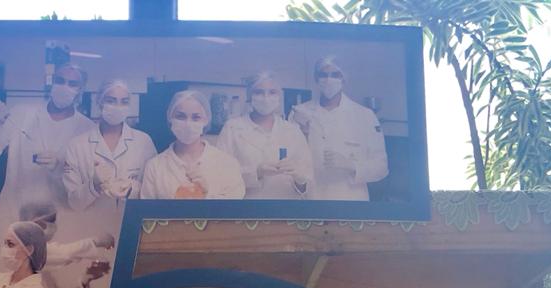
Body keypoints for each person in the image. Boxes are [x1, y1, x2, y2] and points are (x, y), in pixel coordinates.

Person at [0, 62, 95, 218]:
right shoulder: (21, 114)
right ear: (52, 83)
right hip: (12, 213)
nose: (64, 87)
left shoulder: (88, 130)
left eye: (72, 84)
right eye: (60, 81)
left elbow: (86, 187)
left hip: (59, 218)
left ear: (80, 90)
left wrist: (60, 168)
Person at [290, 55, 388, 201]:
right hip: (312, 197)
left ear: (344, 79)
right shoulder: (299, 113)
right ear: (316, 78)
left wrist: (352, 165)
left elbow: (381, 167)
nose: (329, 80)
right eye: (323, 75)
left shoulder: (364, 116)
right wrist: (303, 135)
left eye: (335, 75)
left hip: (350, 198)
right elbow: (291, 161)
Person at [216, 70, 313, 199]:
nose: (266, 98)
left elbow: (308, 184)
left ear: (279, 96)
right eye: (259, 92)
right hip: (248, 207)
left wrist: (300, 179)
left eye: (272, 92)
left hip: (284, 206)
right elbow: (220, 176)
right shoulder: (232, 128)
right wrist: (256, 173)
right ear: (249, 96)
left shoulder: (293, 131)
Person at [64, 79, 158, 211]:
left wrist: (131, 189)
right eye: (111, 101)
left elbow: (154, 193)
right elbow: (74, 203)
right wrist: (93, 185)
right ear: (99, 102)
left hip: (130, 219)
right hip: (92, 221)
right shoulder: (77, 146)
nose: (118, 107)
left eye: (124, 102)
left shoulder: (144, 142)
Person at [139, 90, 246, 200]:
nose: (188, 124)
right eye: (181, 116)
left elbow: (234, 208)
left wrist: (206, 195)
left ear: (206, 120)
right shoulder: (155, 167)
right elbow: (146, 209)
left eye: (196, 117)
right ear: (170, 118)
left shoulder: (227, 164)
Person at [16, 200, 113, 288]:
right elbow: (65, 253)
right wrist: (97, 241)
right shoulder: (26, 253)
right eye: (47, 221)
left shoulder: (42, 274)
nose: (52, 226)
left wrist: (85, 279)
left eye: (53, 221)